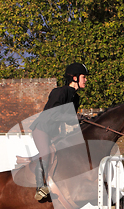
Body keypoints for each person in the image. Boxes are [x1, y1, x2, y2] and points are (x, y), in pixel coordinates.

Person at [30, 63, 89, 201]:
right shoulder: (59, 92)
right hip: (42, 129)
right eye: (83, 77)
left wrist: (83, 120)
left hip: (54, 132)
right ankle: (40, 188)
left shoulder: (76, 97)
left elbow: (69, 120)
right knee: (46, 154)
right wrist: (75, 117)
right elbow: (52, 115)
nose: (85, 80)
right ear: (75, 78)